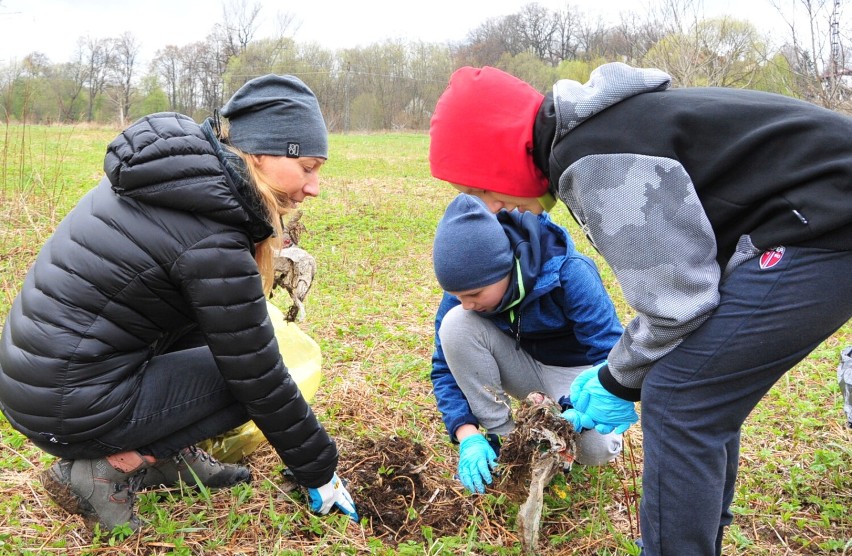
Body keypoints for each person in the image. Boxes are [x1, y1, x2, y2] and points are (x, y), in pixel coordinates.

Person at [428, 63, 852, 555]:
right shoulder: (608, 127)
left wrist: (615, 380)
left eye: (478, 190)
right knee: (696, 388)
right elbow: (692, 283)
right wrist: (622, 370)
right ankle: (684, 535)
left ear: (495, 156)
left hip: (825, 226)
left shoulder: (590, 156)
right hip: (810, 221)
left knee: (680, 396)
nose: (493, 209)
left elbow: (677, 304)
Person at [0, 74, 358, 535]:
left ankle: (170, 455)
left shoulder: (179, 181)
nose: (314, 187)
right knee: (248, 379)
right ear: (264, 154)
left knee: (217, 344)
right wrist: (320, 471)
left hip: (42, 385)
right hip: (67, 402)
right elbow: (258, 375)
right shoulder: (211, 234)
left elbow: (192, 323)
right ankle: (110, 468)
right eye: (307, 167)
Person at [431, 193, 625, 494]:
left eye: (476, 295)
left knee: (598, 449)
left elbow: (611, 356)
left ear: (506, 268)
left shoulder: (570, 272)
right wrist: (466, 433)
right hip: (521, 363)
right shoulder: (465, 287)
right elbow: (445, 365)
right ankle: (505, 439)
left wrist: (572, 410)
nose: (467, 304)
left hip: (575, 373)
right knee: (455, 324)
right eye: (459, 296)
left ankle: (555, 427)